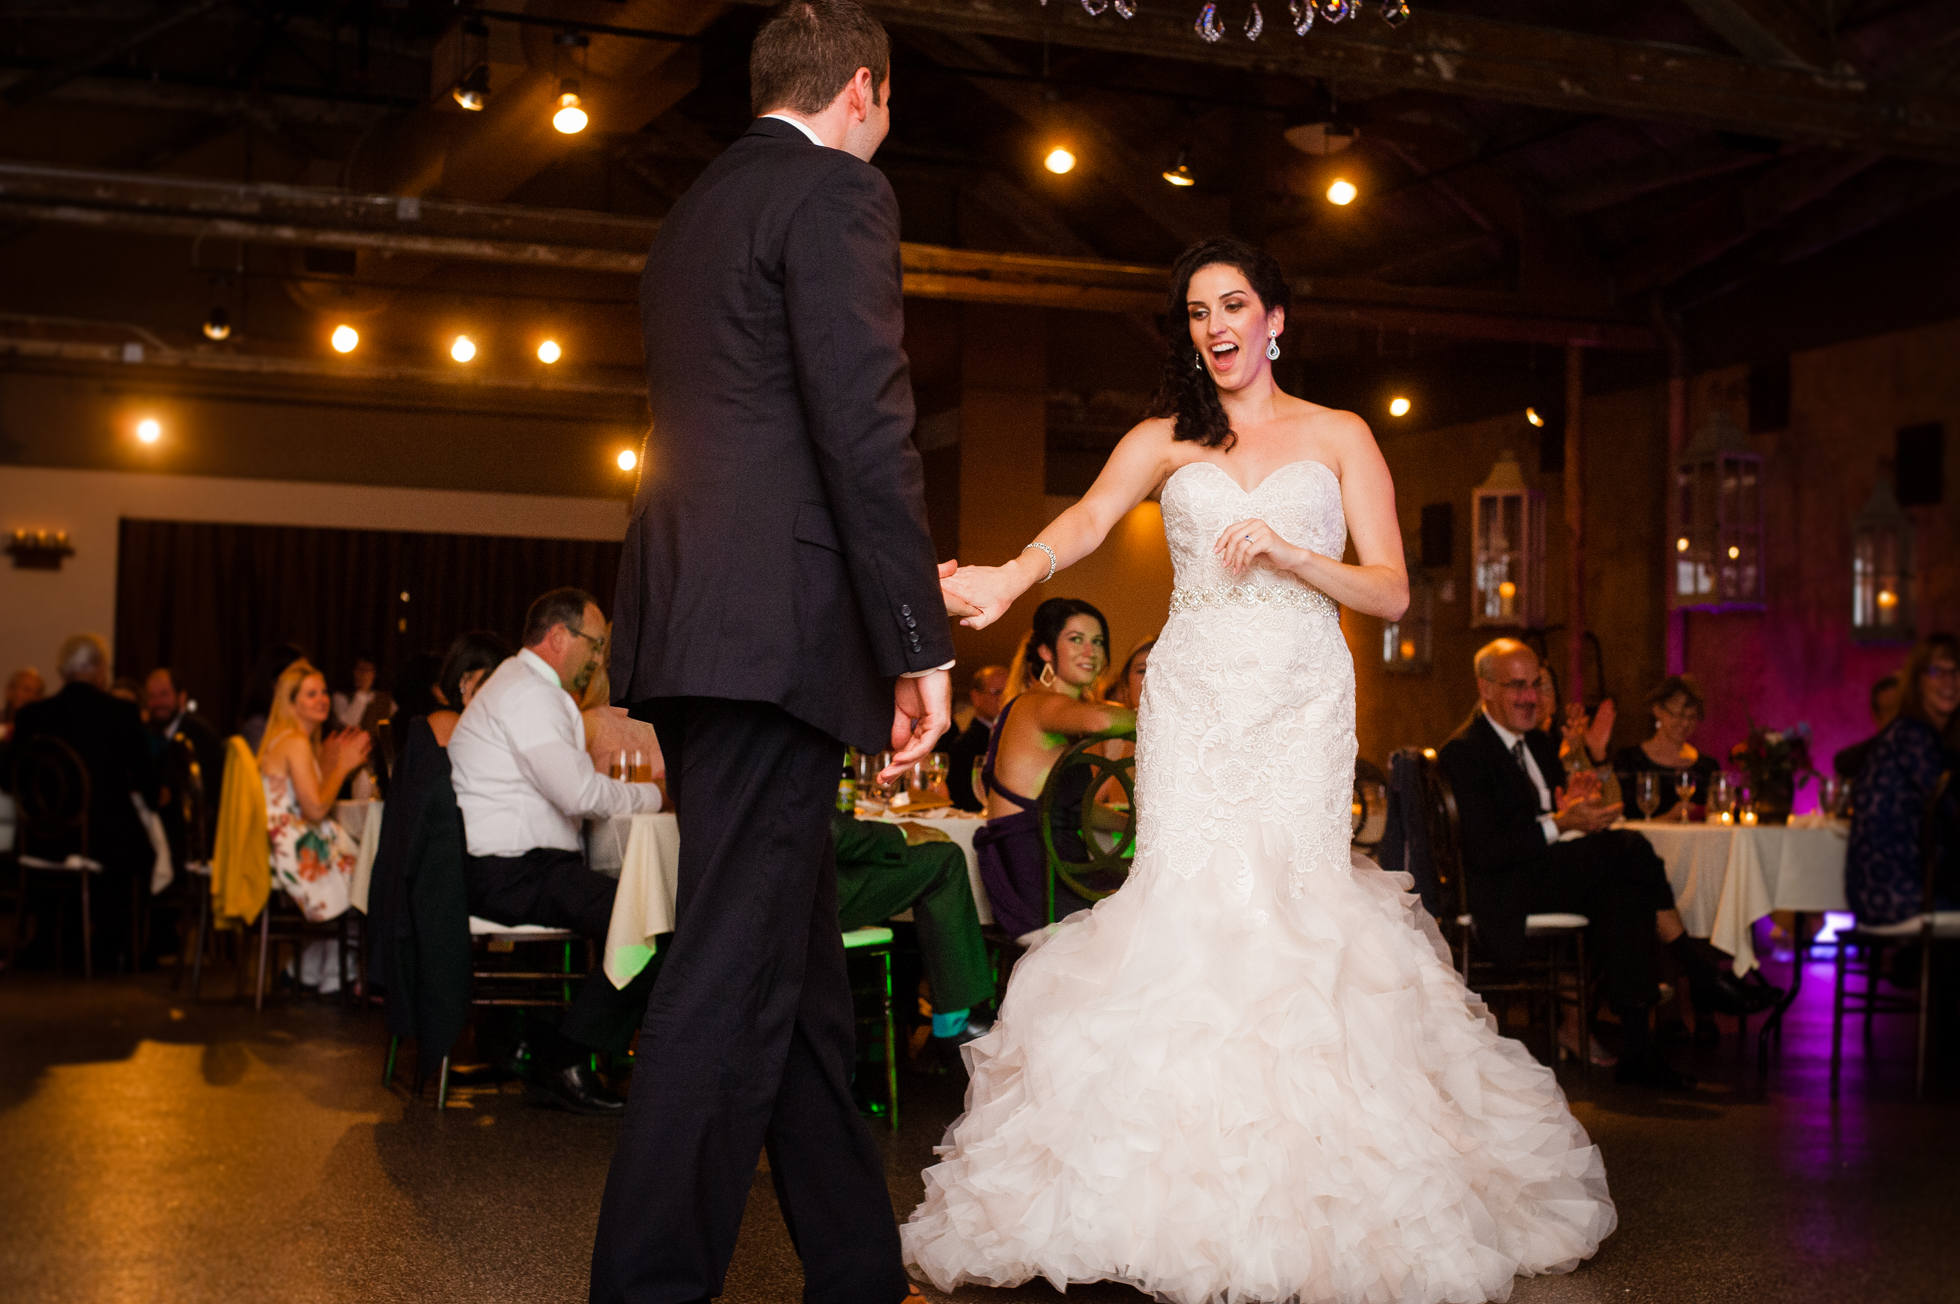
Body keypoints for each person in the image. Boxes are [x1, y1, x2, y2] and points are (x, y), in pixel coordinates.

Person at [916, 237, 1613, 1303]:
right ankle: (1161, 1195)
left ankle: (1321, 1190)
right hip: (1193, 699)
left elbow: (1386, 591)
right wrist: (1012, 574)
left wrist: (1292, 555)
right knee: (1187, 904)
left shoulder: (1339, 435)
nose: (1215, 326)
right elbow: (1091, 519)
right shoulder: (1161, 437)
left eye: (1232, 304)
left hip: (1297, 697)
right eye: (1196, 312)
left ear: (1274, 318)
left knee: (1294, 909)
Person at [592, 6, 957, 1301]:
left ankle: (857, 1267)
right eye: (891, 105)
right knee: (732, 966)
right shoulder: (837, 194)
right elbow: (865, 426)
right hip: (776, 633)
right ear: (863, 89)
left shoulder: (694, 212)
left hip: (694, 621)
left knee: (790, 968)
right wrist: (919, 644)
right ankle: (644, 1287)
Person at [1449, 642, 1777, 1067]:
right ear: (1485, 687)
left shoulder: (1537, 746)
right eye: (1517, 687)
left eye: (1534, 686)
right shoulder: (1467, 750)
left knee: (1623, 892)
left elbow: (1542, 813)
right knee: (1629, 848)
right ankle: (1700, 974)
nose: (1530, 697)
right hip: (1505, 888)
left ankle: (1639, 1053)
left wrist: (1569, 806)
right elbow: (1485, 850)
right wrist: (1563, 823)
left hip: (1544, 872)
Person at [448, 589, 665, 1116]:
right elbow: (580, 795)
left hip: (516, 867)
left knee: (645, 915)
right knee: (649, 922)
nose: (598, 657)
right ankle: (562, 1057)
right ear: (558, 637)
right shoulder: (529, 693)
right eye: (594, 644)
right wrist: (656, 793)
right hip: (513, 871)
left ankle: (546, 1044)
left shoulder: (520, 688)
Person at [972, 599, 1132, 943]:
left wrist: (1136, 825)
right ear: (1046, 651)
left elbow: (1074, 811)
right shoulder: (1039, 703)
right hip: (1038, 879)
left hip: (1052, 867)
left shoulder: (1058, 710)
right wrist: (1179, 713)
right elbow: (1102, 719)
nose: (1090, 650)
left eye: (1098, 641)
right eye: (1076, 639)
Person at [7, 635, 158, 969]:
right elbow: (146, 780)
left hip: (42, 839)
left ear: (62, 672)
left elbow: (10, 779)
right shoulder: (121, 714)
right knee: (145, 854)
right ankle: (117, 945)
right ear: (100, 672)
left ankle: (48, 936)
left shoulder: (33, 716)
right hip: (103, 841)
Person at [832, 811, 993, 1050]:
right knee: (945, 859)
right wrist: (898, 833)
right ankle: (954, 1022)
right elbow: (827, 829)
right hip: (811, 895)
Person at [256, 661, 368, 982]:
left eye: (322, 692)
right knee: (371, 873)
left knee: (363, 865)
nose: (322, 699)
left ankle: (313, 971)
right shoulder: (293, 741)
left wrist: (328, 761)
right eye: (310, 694)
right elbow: (316, 809)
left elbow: (306, 798)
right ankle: (336, 973)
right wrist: (342, 767)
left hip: (287, 844)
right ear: (291, 704)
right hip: (295, 851)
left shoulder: (289, 739)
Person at [1847, 634, 1960, 925]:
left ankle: (1916, 968)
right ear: (1918, 680)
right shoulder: (1912, 735)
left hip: (1902, 885)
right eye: (1937, 671)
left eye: (1956, 670)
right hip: (1894, 891)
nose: (1949, 681)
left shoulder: (1928, 737)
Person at [1614, 675, 1720, 819]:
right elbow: (1622, 823)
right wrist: (1670, 818)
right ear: (1657, 710)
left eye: (1691, 717)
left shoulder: (1707, 767)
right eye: (1678, 715)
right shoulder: (1629, 761)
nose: (1685, 724)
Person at [945, 664, 1006, 812]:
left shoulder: (1015, 737)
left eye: (1009, 692)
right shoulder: (964, 745)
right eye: (997, 692)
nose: (1004, 698)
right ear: (976, 697)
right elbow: (962, 800)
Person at [1834, 672, 1904, 781]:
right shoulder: (1852, 762)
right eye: (1889, 710)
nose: (1896, 716)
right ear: (1876, 716)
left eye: (1900, 709)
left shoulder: (1929, 751)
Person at [332, 655, 383, 732]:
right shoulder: (340, 697)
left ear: (374, 674)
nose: (364, 674)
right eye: (361, 669)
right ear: (354, 672)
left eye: (368, 670)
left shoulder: (384, 700)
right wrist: (362, 692)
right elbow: (348, 725)